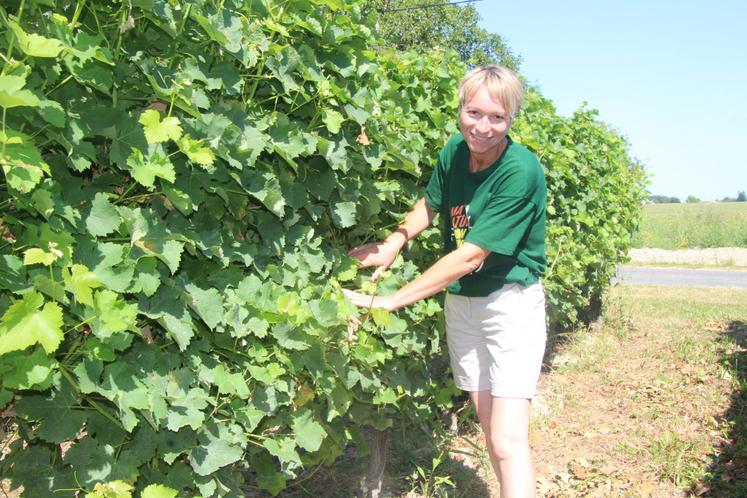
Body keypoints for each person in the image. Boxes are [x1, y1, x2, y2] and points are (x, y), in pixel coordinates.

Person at [342, 64, 547, 498]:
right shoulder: (455, 150)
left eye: (497, 117)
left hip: (509, 305)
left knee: (509, 441)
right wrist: (396, 239)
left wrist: (393, 299)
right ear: (460, 110)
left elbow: (470, 255)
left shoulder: (520, 170)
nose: (483, 127)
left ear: (511, 119)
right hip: (464, 305)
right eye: (475, 113)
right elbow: (431, 203)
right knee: (493, 435)